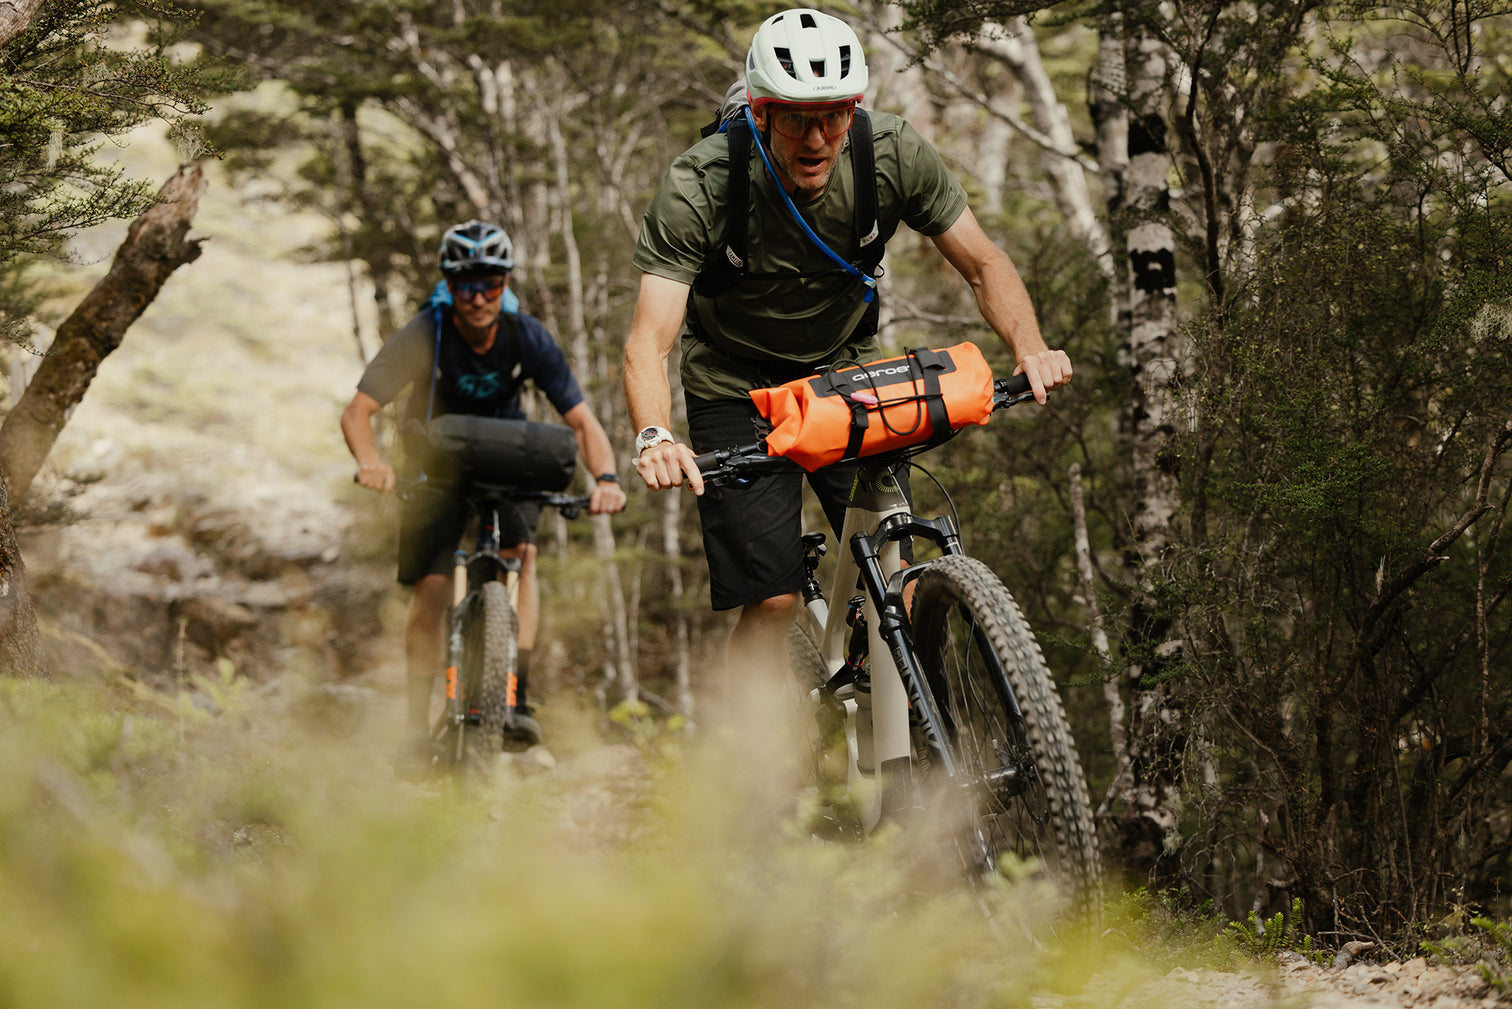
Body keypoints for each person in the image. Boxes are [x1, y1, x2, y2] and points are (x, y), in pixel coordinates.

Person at [623, 8, 1072, 664]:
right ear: (760, 113)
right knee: (772, 600)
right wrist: (655, 436)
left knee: (900, 577)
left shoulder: (890, 153)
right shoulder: (702, 183)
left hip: (844, 368)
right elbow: (649, 339)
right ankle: (740, 730)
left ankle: (908, 710)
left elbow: (983, 263)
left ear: (853, 108)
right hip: (734, 384)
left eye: (833, 116)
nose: (817, 138)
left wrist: (1029, 348)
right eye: (796, 118)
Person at [342, 219, 626, 761]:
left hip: (507, 461)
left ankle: (515, 695)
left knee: (523, 559)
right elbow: (358, 412)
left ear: (505, 283)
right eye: (465, 284)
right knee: (431, 586)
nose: (478, 298)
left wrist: (607, 479)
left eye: (490, 284)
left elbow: (583, 422)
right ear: (448, 284)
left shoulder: (526, 335)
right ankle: (414, 726)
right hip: (435, 468)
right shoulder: (426, 333)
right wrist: (371, 462)